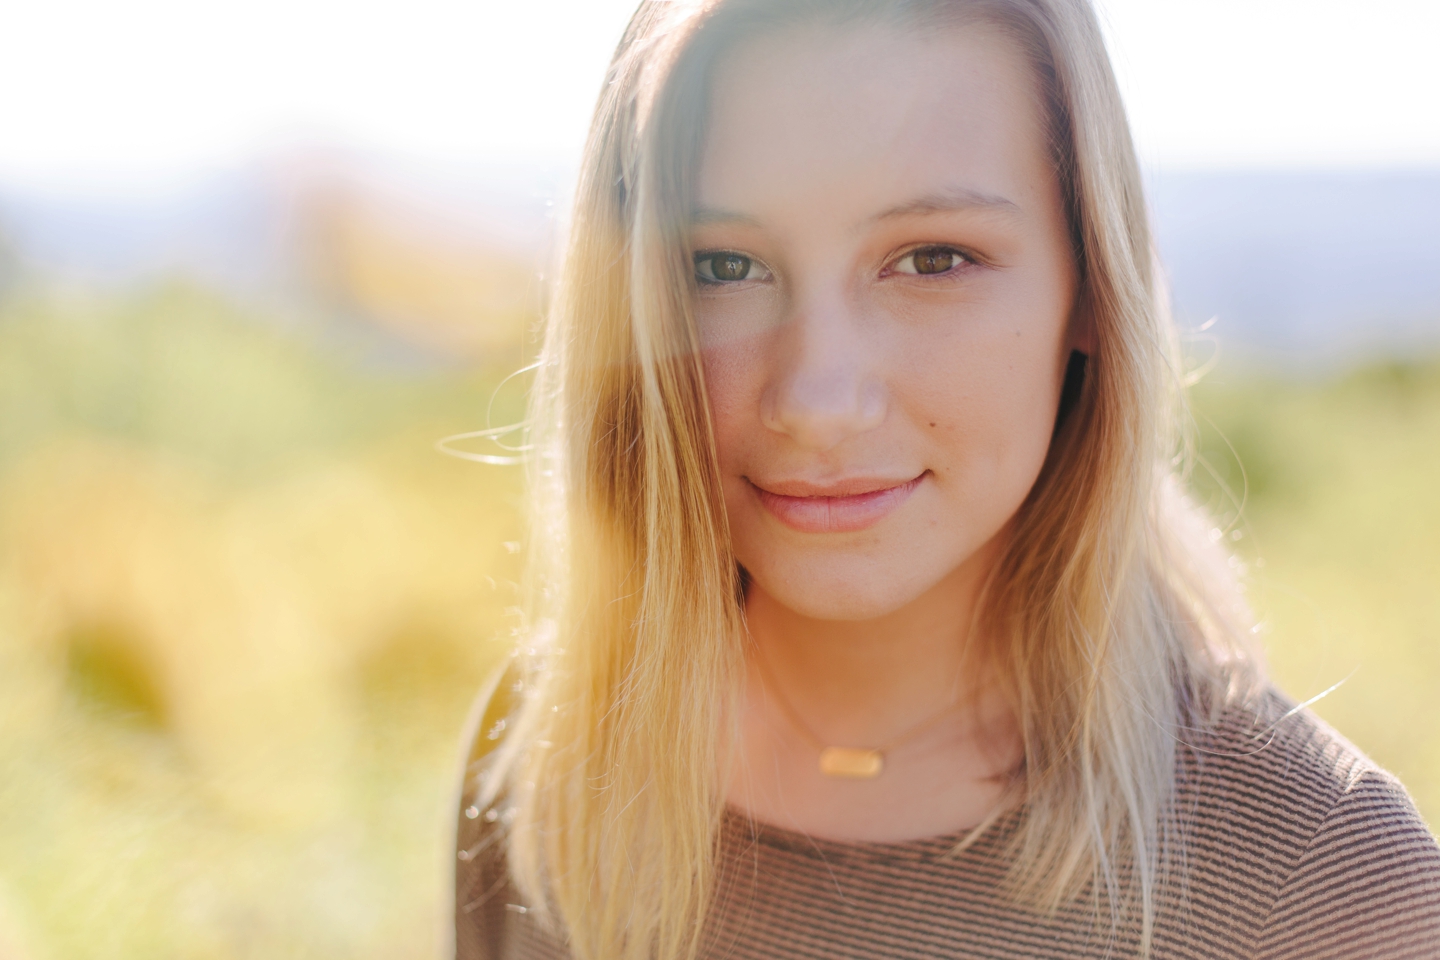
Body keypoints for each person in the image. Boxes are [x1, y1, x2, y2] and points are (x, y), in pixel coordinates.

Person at [454, 1, 1440, 957]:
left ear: (1091, 288)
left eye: (933, 258)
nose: (818, 398)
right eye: (722, 267)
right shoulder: (551, 750)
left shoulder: (1322, 888)